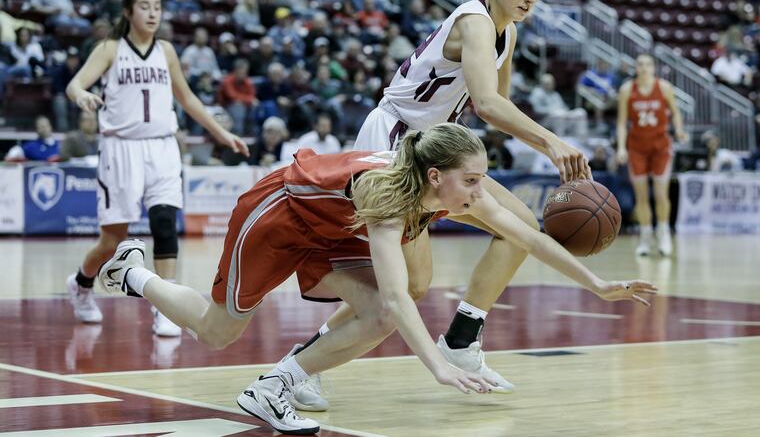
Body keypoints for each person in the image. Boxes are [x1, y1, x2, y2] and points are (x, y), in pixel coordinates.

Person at [96, 123, 657, 435]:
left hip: (329, 230)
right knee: (218, 331)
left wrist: (598, 284)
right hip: (278, 218)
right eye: (472, 181)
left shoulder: (450, 190)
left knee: (382, 317)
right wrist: (438, 368)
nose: (480, 193)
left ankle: (271, 388)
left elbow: (528, 235)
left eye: (482, 180)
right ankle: (134, 273)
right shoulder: (388, 197)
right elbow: (394, 289)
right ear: (437, 178)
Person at [284, 0, 593, 409]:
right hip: (394, 143)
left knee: (520, 228)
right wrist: (551, 142)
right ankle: (303, 363)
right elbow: (487, 102)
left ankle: (463, 341)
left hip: (437, 151)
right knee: (410, 286)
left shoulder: (505, 32)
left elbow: (495, 107)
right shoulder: (474, 21)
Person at [64, 0, 248, 335]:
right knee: (110, 240)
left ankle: (167, 308)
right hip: (122, 149)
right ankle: (82, 284)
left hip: (163, 147)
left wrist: (222, 134)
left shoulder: (166, 51)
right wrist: (82, 95)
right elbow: (75, 85)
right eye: (144, 6)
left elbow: (189, 99)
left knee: (164, 223)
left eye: (157, 7)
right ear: (128, 13)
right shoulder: (110, 49)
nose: (152, 13)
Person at [616, 54, 688, 257]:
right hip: (637, 147)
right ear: (636, 68)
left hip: (660, 147)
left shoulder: (664, 87)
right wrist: (621, 148)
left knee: (660, 194)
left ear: (654, 67)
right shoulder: (627, 90)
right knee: (641, 196)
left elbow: (676, 113)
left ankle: (663, 232)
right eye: (640, 64)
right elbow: (622, 122)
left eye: (648, 64)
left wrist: (680, 130)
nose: (644, 67)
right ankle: (646, 236)